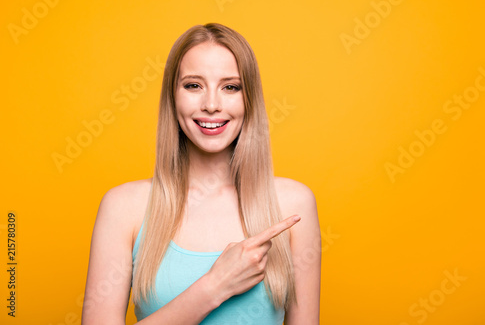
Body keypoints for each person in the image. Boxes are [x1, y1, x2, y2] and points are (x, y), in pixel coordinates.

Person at [82, 23, 321, 324]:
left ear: (249, 100)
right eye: (193, 85)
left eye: (230, 87)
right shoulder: (123, 207)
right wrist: (215, 287)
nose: (211, 105)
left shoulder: (293, 206)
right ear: (173, 97)